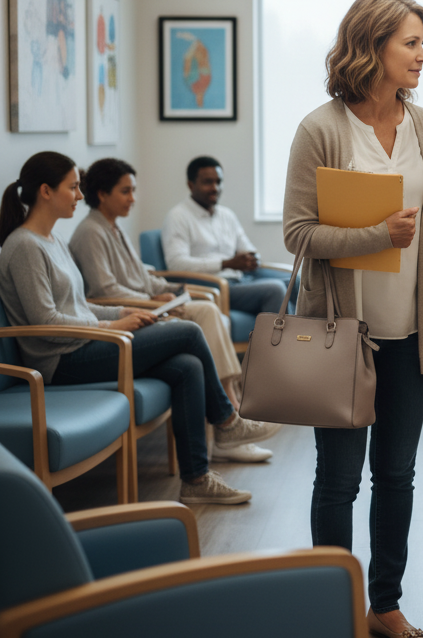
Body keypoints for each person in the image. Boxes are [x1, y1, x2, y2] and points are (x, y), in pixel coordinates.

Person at [282, 0, 423, 638]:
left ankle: (384, 604)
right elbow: (298, 234)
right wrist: (373, 234)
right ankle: (331, 607)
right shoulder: (321, 128)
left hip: (411, 331)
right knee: (338, 481)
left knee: (397, 474)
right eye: (411, 43)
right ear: (372, 46)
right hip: (341, 334)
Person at [0, 152, 278, 504]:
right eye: (72, 188)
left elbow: (80, 304)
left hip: (85, 343)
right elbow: (46, 324)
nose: (79, 195)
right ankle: (226, 421)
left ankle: (196, 479)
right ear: (45, 191)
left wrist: (124, 309)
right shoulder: (24, 246)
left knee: (187, 367)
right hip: (59, 361)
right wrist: (114, 323)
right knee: (190, 332)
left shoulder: (52, 241)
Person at [69, 157, 271, 463]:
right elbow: (104, 291)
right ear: (102, 194)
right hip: (126, 313)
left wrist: (166, 292)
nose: (133, 199)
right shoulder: (90, 233)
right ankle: (232, 413)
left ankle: (232, 413)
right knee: (205, 313)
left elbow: (142, 276)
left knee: (206, 309)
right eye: (126, 191)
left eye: (133, 190)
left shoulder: (113, 228)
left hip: (142, 305)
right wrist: (151, 303)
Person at [162, 156, 293, 317]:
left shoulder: (226, 215)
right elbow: (176, 265)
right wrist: (225, 263)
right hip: (214, 286)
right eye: (207, 182)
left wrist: (252, 258)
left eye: (218, 182)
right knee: (275, 290)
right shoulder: (178, 217)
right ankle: (280, 342)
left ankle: (307, 339)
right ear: (191, 185)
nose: (215, 188)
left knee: (296, 282)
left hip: (241, 279)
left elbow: (246, 247)